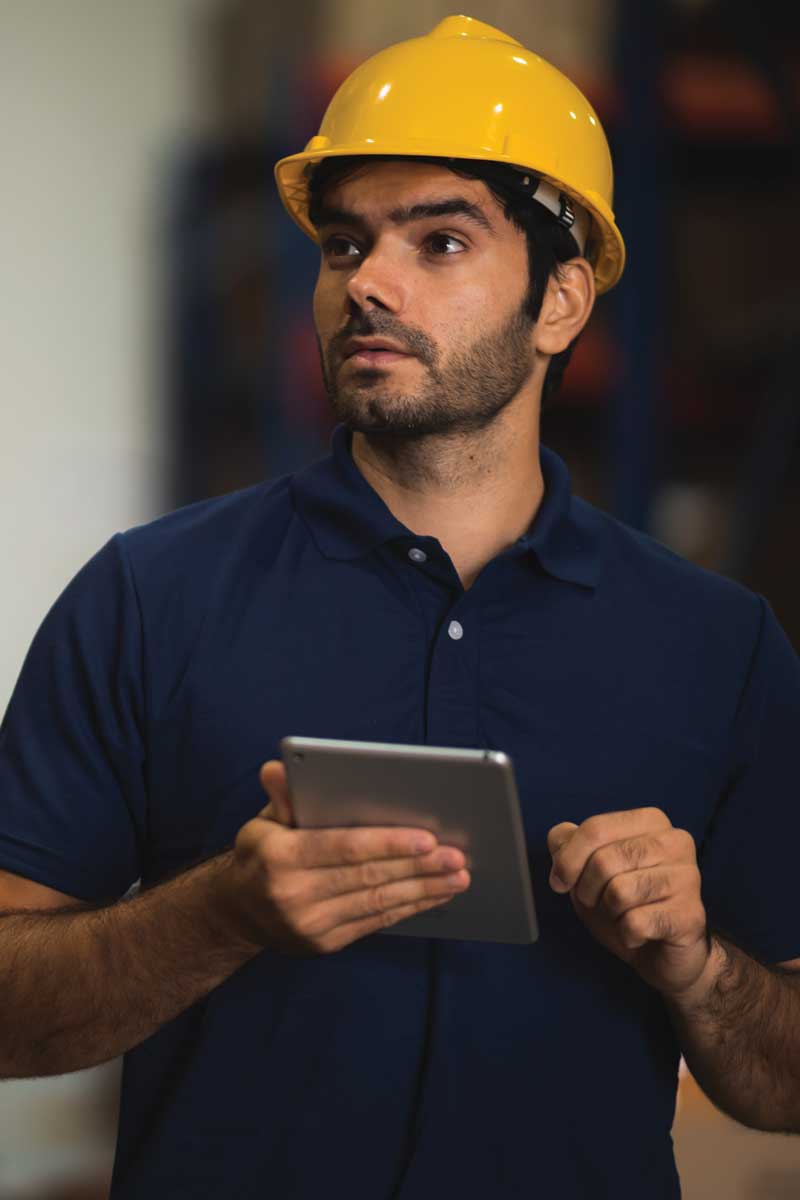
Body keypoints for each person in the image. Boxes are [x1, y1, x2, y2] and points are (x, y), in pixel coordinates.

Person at [0, 14, 799, 1199]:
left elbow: (782, 1085)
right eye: (342, 245)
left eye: (437, 242)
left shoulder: (718, 647)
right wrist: (218, 913)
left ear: (561, 301)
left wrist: (695, 966)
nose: (364, 284)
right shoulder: (148, 598)